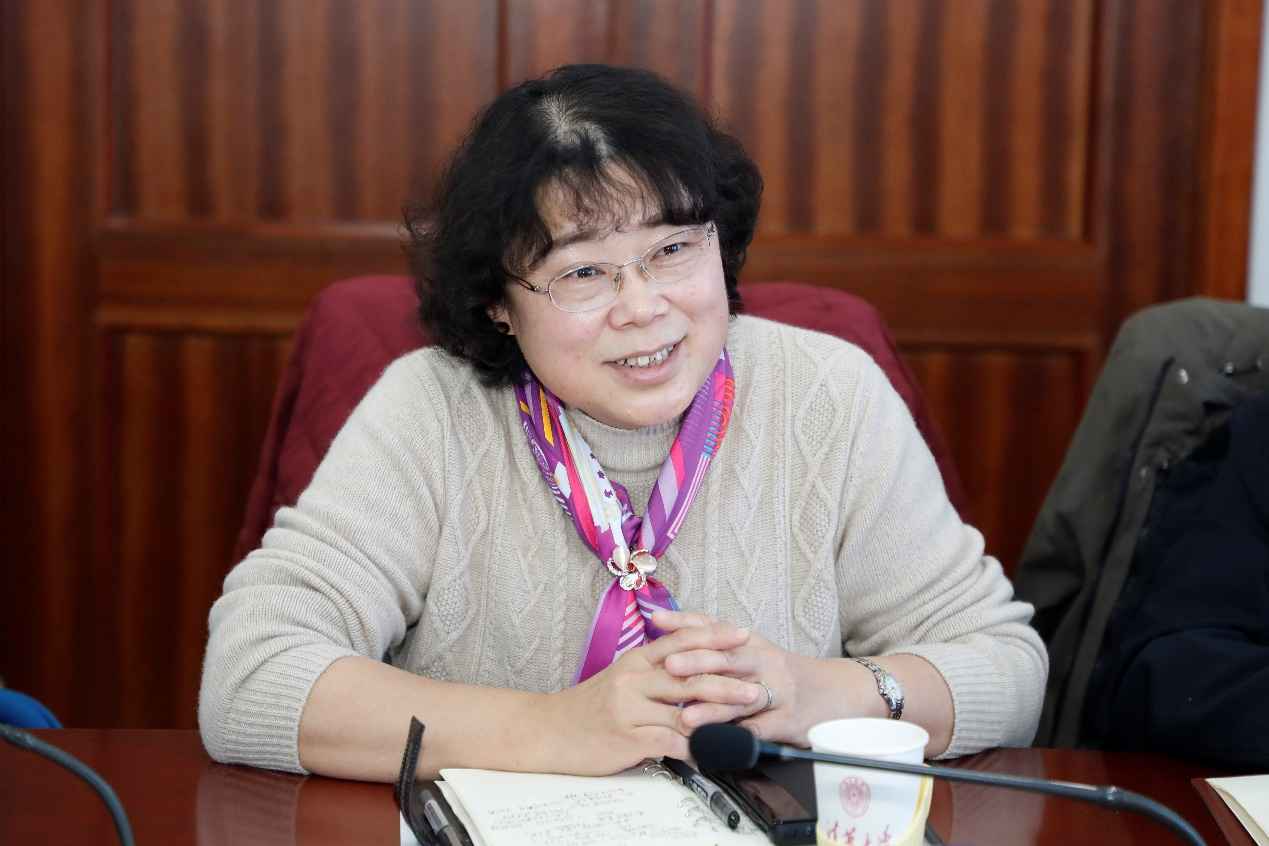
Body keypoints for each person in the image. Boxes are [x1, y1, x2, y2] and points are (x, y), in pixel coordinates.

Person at [199, 64, 1046, 782]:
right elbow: (251, 676)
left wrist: (816, 693)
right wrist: (552, 729)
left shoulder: (826, 393)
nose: (642, 308)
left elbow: (1004, 666)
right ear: (498, 302)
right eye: (583, 273)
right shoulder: (431, 410)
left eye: (672, 250)